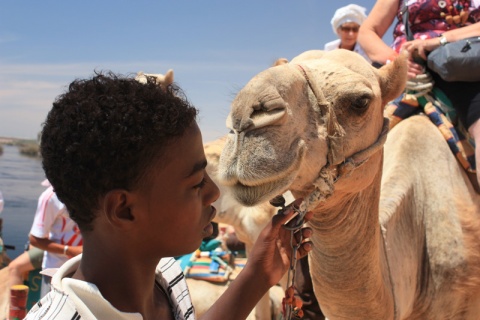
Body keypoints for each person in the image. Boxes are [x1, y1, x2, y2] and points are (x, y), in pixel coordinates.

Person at [24, 71, 313, 320]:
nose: (213, 193)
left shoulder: (165, 276)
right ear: (124, 210)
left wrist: (258, 275)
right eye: (196, 182)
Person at [358, 0, 480, 188]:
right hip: (405, 68)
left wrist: (440, 40)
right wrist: (396, 63)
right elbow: (368, 31)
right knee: (352, 126)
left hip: (463, 65)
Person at [28, 181, 83, 297]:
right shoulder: (50, 198)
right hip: (55, 271)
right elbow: (34, 239)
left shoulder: (91, 192)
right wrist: (69, 250)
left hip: (84, 271)